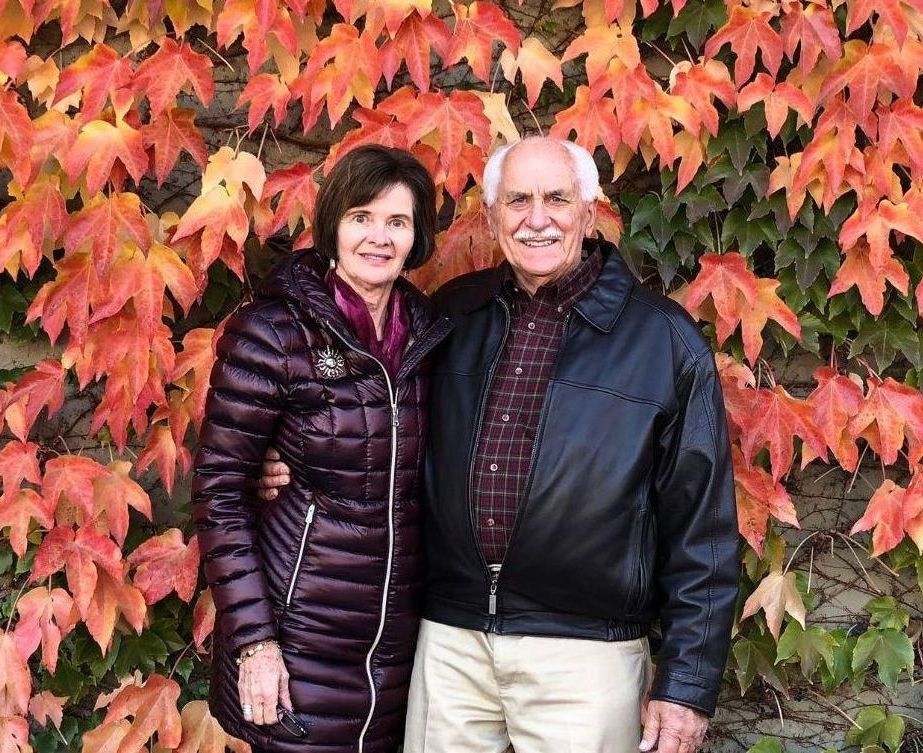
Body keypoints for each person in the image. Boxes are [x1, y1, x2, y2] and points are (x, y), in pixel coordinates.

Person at [258, 136, 739, 753]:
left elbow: (705, 530)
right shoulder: (448, 319)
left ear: (589, 212)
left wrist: (687, 687)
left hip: (586, 655)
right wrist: (281, 458)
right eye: (517, 201)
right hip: (449, 640)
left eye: (556, 199)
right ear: (492, 217)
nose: (537, 219)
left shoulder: (664, 341)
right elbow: (368, 416)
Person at [192, 144, 451, 753]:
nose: (378, 237)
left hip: (396, 640)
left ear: (418, 237)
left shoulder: (431, 336)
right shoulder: (275, 332)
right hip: (297, 634)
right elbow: (220, 491)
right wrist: (255, 642)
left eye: (398, 221)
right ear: (333, 223)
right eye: (362, 216)